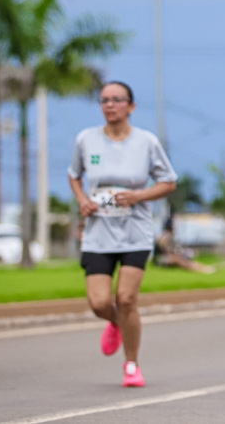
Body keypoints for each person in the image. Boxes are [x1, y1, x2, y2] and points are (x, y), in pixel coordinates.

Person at [68, 81, 178, 388]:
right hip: (98, 232)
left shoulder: (146, 142)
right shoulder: (86, 139)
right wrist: (82, 200)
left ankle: (131, 365)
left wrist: (138, 196)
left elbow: (169, 182)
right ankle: (117, 323)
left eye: (117, 99)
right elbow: (74, 175)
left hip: (134, 232)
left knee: (126, 299)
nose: (110, 105)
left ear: (131, 106)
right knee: (99, 303)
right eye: (104, 100)